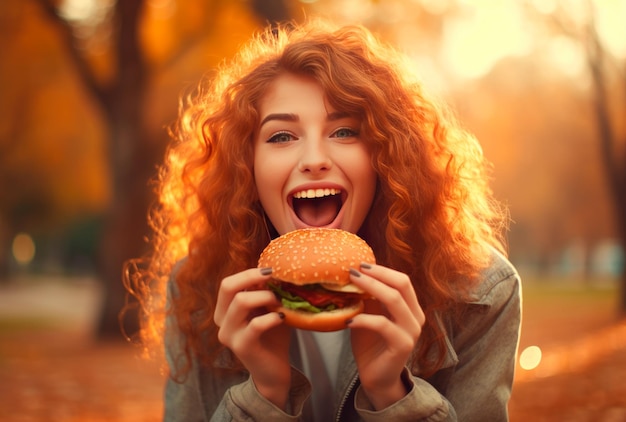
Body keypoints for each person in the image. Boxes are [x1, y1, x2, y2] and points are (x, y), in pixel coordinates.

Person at [127, 19, 521, 421]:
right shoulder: (197, 292)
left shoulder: (480, 294)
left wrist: (391, 394)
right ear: (247, 165)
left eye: (345, 131)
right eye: (282, 136)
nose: (314, 159)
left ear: (386, 156)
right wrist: (264, 395)